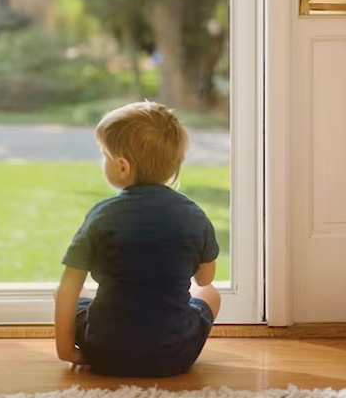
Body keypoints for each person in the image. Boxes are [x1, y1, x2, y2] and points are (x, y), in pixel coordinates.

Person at [54, 100, 221, 377]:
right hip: (176, 354)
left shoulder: (101, 216)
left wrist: (66, 350)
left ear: (122, 166)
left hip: (104, 352)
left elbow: (69, 285)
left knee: (74, 294)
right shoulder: (193, 215)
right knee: (210, 294)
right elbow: (205, 280)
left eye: (103, 155)